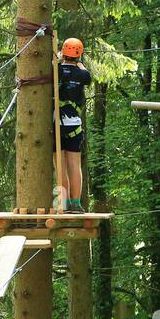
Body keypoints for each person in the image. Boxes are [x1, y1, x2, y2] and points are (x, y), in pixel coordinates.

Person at [54, 37, 92, 212]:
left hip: (56, 124)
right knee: (74, 166)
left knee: (60, 166)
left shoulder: (55, 71)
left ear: (63, 52)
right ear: (79, 55)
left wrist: (58, 59)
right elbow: (86, 76)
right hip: (74, 125)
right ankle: (75, 204)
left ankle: (63, 204)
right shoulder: (82, 74)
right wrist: (79, 63)